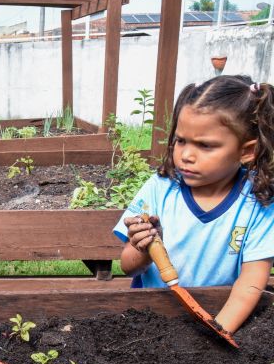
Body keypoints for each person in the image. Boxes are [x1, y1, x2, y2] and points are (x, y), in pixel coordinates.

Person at [115, 75, 274, 335]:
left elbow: (250, 284)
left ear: (247, 151)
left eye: (205, 145)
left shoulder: (258, 201)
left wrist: (217, 334)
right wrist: (142, 248)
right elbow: (128, 267)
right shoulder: (161, 188)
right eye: (181, 141)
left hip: (221, 314)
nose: (187, 155)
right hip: (151, 321)